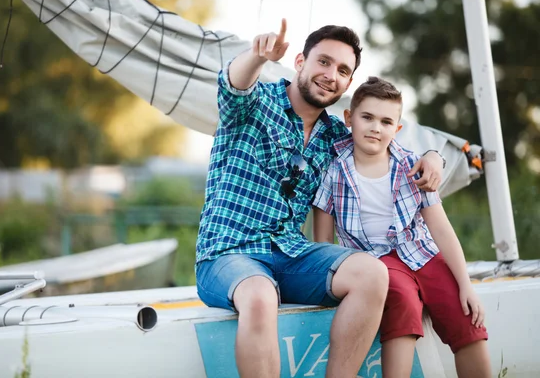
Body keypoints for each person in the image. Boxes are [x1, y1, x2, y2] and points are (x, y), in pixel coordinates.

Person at [195, 19, 445, 377]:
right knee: (260, 296)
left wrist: (435, 156)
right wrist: (256, 55)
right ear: (300, 62)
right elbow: (233, 85)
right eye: (323, 62)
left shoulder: (333, 136)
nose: (331, 75)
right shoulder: (256, 102)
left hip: (290, 252)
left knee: (372, 274)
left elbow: (388, 146)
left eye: (343, 70)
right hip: (228, 253)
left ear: (348, 83)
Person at [313, 76, 491, 377]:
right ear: (349, 118)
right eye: (367, 117)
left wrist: (466, 285)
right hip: (375, 262)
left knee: (466, 315)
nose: (375, 127)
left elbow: (441, 228)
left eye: (385, 122)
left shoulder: (413, 165)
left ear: (397, 129)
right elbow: (323, 240)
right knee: (403, 302)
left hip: (422, 253)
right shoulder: (334, 169)